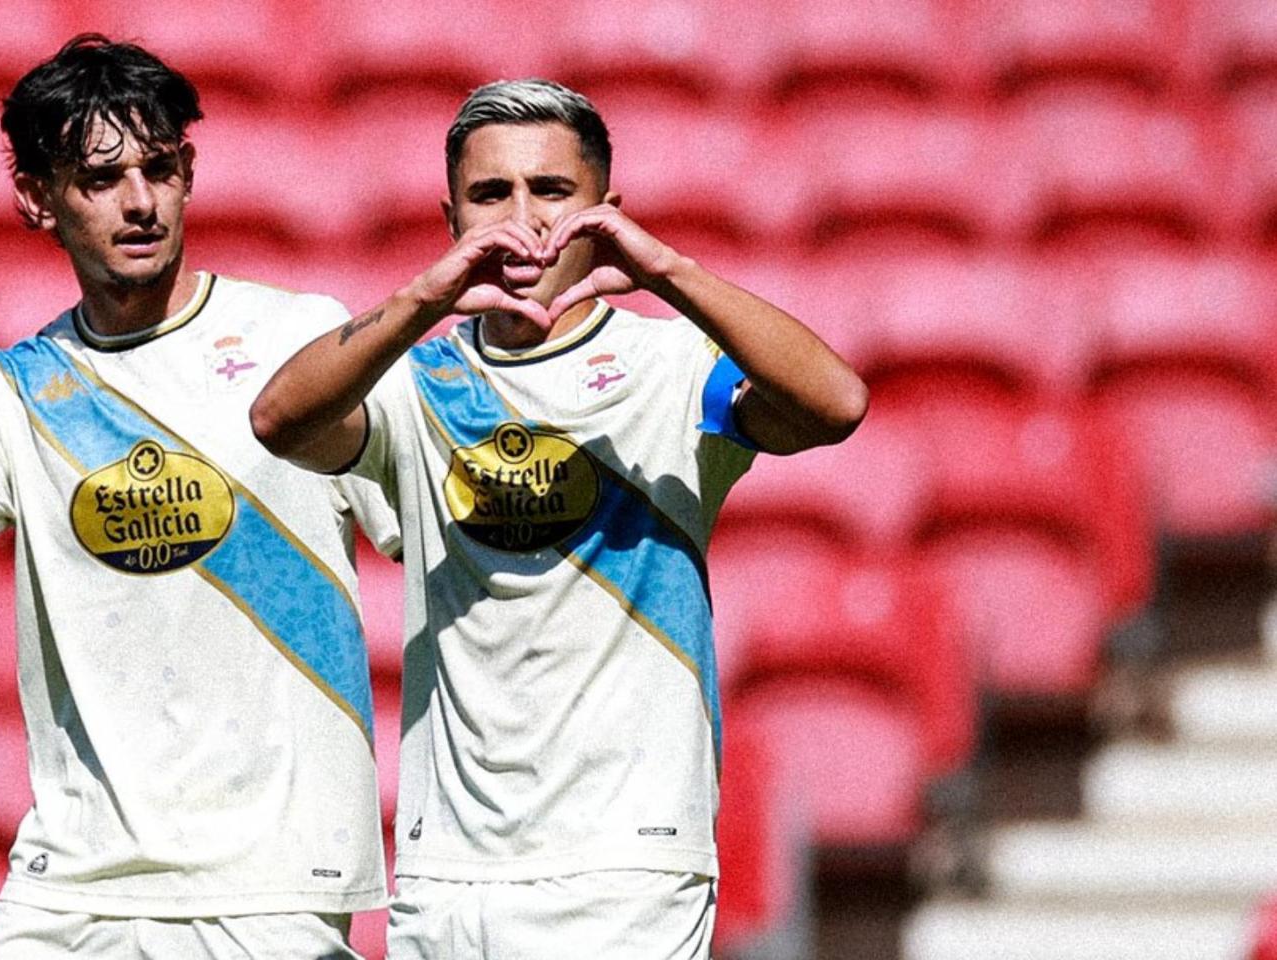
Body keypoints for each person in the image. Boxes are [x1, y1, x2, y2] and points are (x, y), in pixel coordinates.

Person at [251, 79, 868, 958]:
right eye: (489, 195)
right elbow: (278, 420)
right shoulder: (416, 384)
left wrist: (669, 272)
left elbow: (836, 403)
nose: (522, 220)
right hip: (448, 872)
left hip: (627, 867)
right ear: (451, 221)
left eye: (551, 191)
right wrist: (424, 298)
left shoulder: (675, 368)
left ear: (607, 211)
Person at [0, 34, 390, 959]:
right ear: (37, 197)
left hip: (270, 883)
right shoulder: (11, 392)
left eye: (159, 169)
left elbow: (433, 533)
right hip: (73, 887)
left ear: (189, 172)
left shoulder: (300, 341)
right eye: (101, 179)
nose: (140, 202)